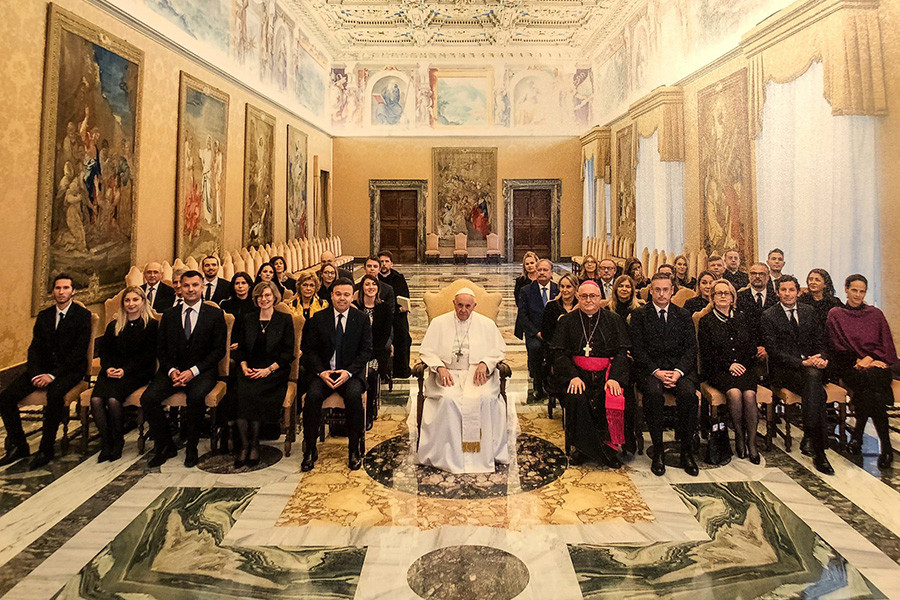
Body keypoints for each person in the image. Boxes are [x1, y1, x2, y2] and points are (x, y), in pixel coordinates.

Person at [0, 274, 93, 469]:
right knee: (6, 397)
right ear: (53, 292)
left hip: (69, 371)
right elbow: (34, 349)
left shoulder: (82, 316)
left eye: (66, 288)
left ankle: (46, 448)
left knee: (55, 394)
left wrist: (52, 376)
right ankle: (19, 445)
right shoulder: (44, 316)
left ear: (73, 291)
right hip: (40, 369)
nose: (61, 292)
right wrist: (35, 374)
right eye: (58, 288)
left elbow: (78, 353)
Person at [413, 287, 508, 474]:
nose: (463, 310)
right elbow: (427, 351)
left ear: (474, 306)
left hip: (477, 374)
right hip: (448, 373)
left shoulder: (486, 324)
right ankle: (448, 455)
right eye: (460, 305)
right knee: (448, 400)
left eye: (467, 306)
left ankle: (480, 456)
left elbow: (498, 350)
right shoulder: (439, 323)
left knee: (485, 398)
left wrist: (485, 363)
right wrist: (439, 368)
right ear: (453, 304)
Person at [141, 270, 227, 468]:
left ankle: (192, 447)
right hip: (172, 371)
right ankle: (165, 444)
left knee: (196, 397)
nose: (190, 289)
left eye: (195, 285)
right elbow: (161, 349)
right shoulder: (169, 316)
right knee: (148, 399)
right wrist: (172, 370)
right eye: (186, 285)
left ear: (202, 287)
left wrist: (193, 371)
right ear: (179, 288)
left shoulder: (214, 314)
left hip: (202, 371)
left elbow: (218, 350)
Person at [551, 281, 631, 468]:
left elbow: (622, 352)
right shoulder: (567, 321)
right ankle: (581, 448)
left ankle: (609, 447)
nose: (588, 300)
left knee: (613, 395)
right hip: (577, 374)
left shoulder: (613, 320)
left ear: (600, 298)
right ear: (578, 297)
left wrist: (614, 378)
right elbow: (558, 353)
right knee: (576, 397)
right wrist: (572, 376)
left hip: (607, 374)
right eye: (584, 296)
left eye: (593, 296)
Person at [762, 275, 834, 475]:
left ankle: (815, 445)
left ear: (798, 292)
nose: (787, 294)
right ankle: (816, 444)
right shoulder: (769, 315)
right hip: (786, 371)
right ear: (777, 293)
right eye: (783, 290)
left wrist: (822, 358)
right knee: (818, 390)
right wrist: (803, 362)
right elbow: (774, 351)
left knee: (814, 384)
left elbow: (821, 341)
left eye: (791, 290)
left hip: (811, 370)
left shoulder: (809, 312)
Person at [300, 277, 373, 472]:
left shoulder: (362, 319)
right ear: (331, 296)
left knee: (353, 396)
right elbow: (310, 350)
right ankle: (310, 448)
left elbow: (366, 350)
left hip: (350, 374)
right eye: (338, 294)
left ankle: (353, 449)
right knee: (312, 397)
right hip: (324, 373)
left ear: (353, 297)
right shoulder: (318, 319)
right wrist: (321, 372)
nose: (342, 298)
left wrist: (348, 372)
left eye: (346, 295)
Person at [630, 273, 700, 476]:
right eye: (657, 290)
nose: (661, 294)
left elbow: (690, 349)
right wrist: (657, 372)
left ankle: (686, 451)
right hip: (651, 370)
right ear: (651, 291)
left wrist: (677, 373)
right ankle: (658, 450)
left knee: (689, 395)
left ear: (672, 291)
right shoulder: (640, 315)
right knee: (653, 395)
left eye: (665, 290)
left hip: (679, 371)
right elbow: (638, 349)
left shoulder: (683, 315)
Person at [827, 274, 897, 468]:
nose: (858, 295)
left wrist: (870, 359)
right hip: (851, 366)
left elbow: (886, 345)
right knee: (873, 391)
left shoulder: (875, 314)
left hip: (877, 365)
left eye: (862, 291)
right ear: (846, 289)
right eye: (854, 290)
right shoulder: (836, 314)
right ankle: (886, 446)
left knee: (869, 388)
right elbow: (835, 346)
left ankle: (857, 436)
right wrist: (859, 360)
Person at [91, 286, 158, 462]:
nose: (131, 304)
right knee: (96, 400)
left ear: (143, 301)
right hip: (111, 370)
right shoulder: (115, 325)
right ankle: (107, 443)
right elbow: (104, 352)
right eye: (127, 300)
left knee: (113, 400)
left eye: (135, 300)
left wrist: (125, 370)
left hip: (137, 372)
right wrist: (107, 368)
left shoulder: (151, 325)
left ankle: (118, 442)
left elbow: (148, 356)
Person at [232, 281, 294, 468]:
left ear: (274, 296)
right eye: (260, 296)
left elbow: (287, 353)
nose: (263, 299)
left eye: (267, 295)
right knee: (240, 393)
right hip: (249, 368)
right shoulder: (248, 318)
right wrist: (243, 366)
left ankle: (255, 444)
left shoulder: (284, 319)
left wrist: (268, 370)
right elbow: (240, 349)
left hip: (274, 371)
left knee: (254, 393)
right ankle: (244, 445)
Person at [698, 280, 759, 463]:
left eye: (727, 293)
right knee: (733, 393)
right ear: (713, 297)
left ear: (733, 297)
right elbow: (707, 352)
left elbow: (751, 348)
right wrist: (728, 365)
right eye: (719, 293)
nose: (723, 296)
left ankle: (752, 442)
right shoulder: (706, 321)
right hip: (719, 370)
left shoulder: (743, 318)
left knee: (749, 395)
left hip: (745, 368)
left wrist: (741, 364)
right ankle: (739, 436)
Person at [354, 274, 393, 428]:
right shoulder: (356, 307)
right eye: (367, 284)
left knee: (370, 373)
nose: (371, 287)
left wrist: (369, 354)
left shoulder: (384, 308)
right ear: (362, 288)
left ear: (378, 288)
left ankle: (368, 412)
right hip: (356, 353)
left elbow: (384, 336)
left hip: (376, 352)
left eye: (373, 284)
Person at [517, 259, 558, 400]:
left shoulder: (558, 289)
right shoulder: (526, 291)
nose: (541, 273)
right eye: (539, 270)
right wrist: (536, 333)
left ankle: (554, 384)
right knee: (535, 348)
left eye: (545, 270)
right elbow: (523, 316)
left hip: (554, 334)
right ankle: (537, 386)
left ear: (551, 272)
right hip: (534, 333)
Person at [378, 250, 413, 378]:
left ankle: (401, 370)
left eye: (386, 261)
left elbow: (405, 296)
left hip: (397, 314)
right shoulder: (374, 280)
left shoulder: (399, 278)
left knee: (403, 336)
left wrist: (402, 308)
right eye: (381, 262)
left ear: (391, 264)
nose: (384, 264)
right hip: (381, 315)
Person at [737, 262, 777, 360]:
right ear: (749, 276)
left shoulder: (776, 298)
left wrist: (766, 348)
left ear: (768, 277)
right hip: (747, 350)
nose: (757, 277)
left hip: (772, 351)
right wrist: (754, 348)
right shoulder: (739, 298)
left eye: (762, 274)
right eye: (753, 274)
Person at [514, 251, 540, 339]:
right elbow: (518, 300)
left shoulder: (543, 279)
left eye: (532, 263)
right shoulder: (520, 281)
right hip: (526, 315)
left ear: (537, 263)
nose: (530, 265)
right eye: (527, 264)